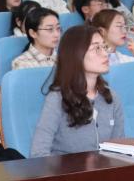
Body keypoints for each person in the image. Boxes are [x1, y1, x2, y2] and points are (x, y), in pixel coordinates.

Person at [30, 25, 124, 157]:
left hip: (105, 169)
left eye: (104, 46)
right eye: (96, 48)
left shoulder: (111, 97)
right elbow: (38, 153)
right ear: (76, 54)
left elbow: (119, 151)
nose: (105, 53)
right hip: (66, 169)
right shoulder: (58, 98)